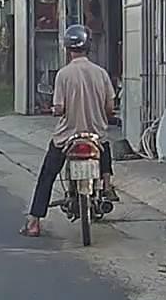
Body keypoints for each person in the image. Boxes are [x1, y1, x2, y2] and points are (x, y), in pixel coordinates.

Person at [19, 24, 118, 238]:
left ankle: (34, 221)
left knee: (47, 175)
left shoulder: (63, 75)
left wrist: (55, 110)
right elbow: (110, 108)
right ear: (88, 46)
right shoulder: (101, 73)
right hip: (95, 135)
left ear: (67, 48)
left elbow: (59, 108)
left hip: (67, 137)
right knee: (105, 144)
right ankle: (107, 184)